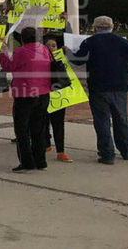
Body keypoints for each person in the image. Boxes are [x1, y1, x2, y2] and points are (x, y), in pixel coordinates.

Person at [65, 16, 128, 164]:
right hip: (119, 86)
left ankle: (107, 154)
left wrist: (67, 51)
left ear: (95, 28)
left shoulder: (90, 42)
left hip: (98, 86)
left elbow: (78, 60)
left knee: (102, 121)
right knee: (121, 119)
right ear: (112, 26)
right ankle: (127, 150)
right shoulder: (123, 42)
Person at [0, 26, 52, 173]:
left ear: (22, 39)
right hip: (43, 93)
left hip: (25, 94)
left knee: (22, 130)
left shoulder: (21, 52)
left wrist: (2, 51)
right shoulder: (43, 49)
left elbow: (8, 66)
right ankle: (41, 162)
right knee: (38, 129)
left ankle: (27, 162)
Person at [43, 33, 73, 163]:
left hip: (59, 96)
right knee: (44, 121)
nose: (51, 48)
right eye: (48, 46)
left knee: (58, 124)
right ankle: (46, 144)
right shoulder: (39, 60)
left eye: (53, 45)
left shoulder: (62, 60)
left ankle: (61, 151)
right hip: (44, 94)